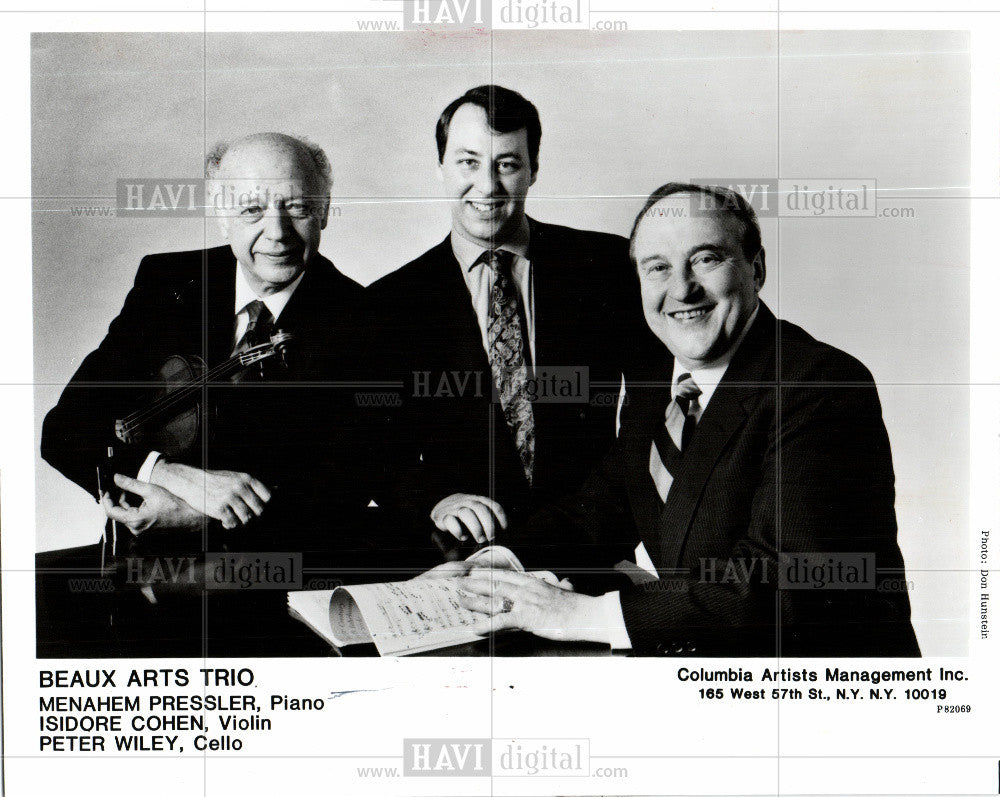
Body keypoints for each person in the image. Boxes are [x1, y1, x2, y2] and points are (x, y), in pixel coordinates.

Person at [448, 183, 920, 657]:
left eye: (706, 259)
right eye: (658, 268)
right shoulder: (660, 378)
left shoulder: (818, 385)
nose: (681, 289)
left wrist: (577, 615)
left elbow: (788, 581)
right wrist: (494, 565)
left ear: (756, 269)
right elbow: (599, 509)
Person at [38, 132, 371, 654]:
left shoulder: (363, 319)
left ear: (325, 210)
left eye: (298, 207)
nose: (276, 232)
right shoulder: (167, 282)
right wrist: (167, 475)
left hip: (271, 584)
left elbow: (343, 493)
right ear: (220, 211)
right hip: (138, 572)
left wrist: (199, 514)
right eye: (251, 209)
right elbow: (65, 428)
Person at [367, 85, 651, 547]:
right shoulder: (390, 303)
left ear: (533, 171)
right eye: (468, 162)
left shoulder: (608, 267)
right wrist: (434, 499)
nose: (488, 186)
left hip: (587, 547)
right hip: (456, 557)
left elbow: (652, 406)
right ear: (440, 166)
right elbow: (374, 446)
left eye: (507, 164)